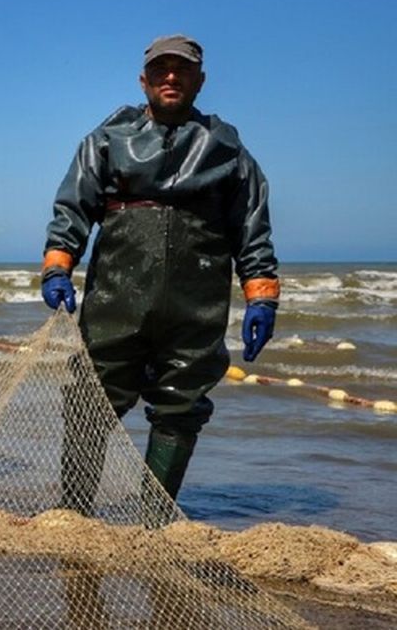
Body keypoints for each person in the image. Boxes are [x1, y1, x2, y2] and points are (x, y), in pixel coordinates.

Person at [41, 35, 280, 508]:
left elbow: (252, 228)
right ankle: (74, 513)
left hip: (197, 302)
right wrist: (57, 268)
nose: (171, 77)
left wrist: (262, 297)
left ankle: (154, 517)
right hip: (116, 299)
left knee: (182, 404)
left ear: (200, 81)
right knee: (91, 399)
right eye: (161, 69)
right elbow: (73, 210)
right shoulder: (106, 141)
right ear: (143, 79)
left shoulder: (228, 150)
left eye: (182, 70)